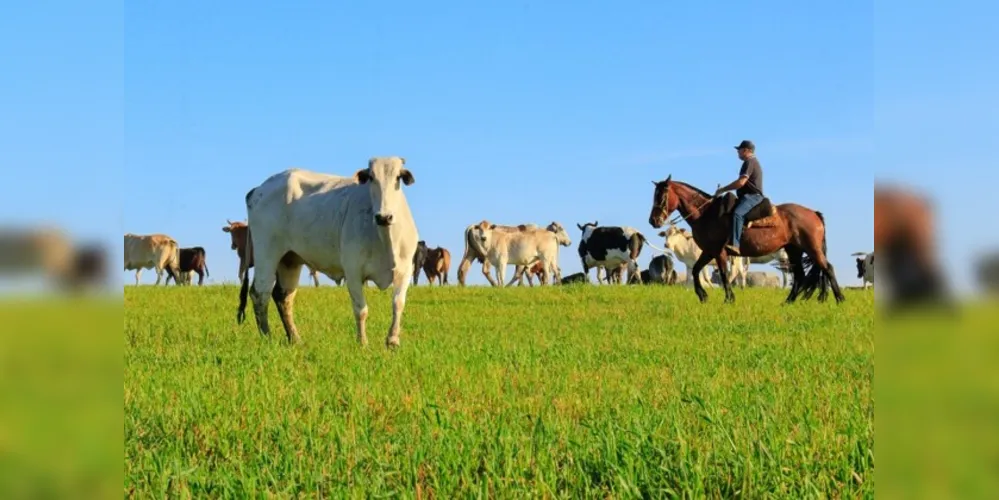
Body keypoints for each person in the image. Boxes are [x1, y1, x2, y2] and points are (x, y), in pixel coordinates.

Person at [714, 140, 764, 256]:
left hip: (753, 196)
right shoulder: (750, 162)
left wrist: (723, 190)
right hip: (747, 196)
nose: (738, 153)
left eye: (739, 150)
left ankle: (735, 245)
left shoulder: (750, 162)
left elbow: (741, 182)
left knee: (737, 214)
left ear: (746, 150)